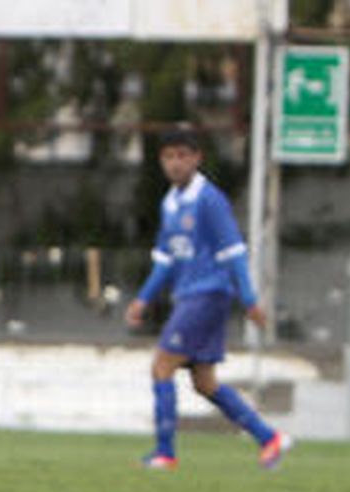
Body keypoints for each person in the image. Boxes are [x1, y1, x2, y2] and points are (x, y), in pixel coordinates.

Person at [124, 126, 290, 471]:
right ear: (161, 161)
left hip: (208, 294)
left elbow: (233, 252)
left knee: (162, 366)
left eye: (182, 156)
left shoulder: (209, 199)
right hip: (189, 296)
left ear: (197, 158)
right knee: (204, 382)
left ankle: (165, 453)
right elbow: (166, 260)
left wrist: (249, 298)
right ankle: (268, 437)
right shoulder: (170, 203)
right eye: (169, 156)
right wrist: (143, 299)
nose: (175, 163)